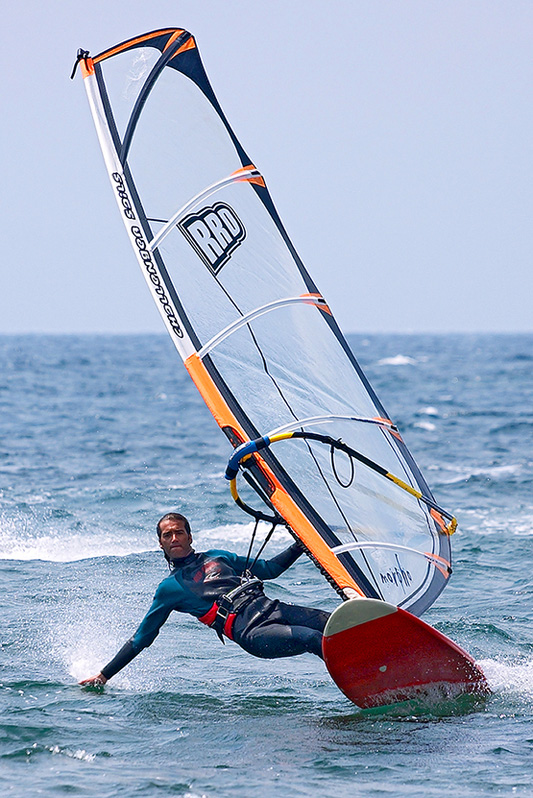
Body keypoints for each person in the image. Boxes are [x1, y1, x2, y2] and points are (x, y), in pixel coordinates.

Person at [80, 512, 329, 687]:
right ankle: (353, 679)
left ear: (190, 537)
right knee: (310, 637)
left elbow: (270, 569)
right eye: (167, 535)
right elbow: (141, 639)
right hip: (253, 632)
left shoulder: (218, 556)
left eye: (179, 532)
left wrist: (300, 545)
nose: (174, 538)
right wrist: (104, 675)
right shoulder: (170, 588)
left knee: (331, 621)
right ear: (161, 544)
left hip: (272, 609)